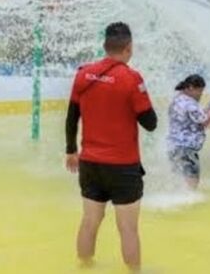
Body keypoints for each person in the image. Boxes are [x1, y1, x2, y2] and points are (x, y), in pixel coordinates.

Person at [64, 22, 158, 271]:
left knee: (89, 221)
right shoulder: (131, 78)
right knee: (127, 228)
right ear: (129, 47)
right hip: (123, 166)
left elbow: (72, 115)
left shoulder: (84, 74)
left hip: (90, 162)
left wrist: (71, 150)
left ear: (106, 46)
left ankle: (84, 266)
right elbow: (151, 123)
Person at [166, 75, 210, 189]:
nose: (200, 95)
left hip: (174, 146)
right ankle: (189, 200)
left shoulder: (178, 99)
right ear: (191, 88)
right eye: (199, 91)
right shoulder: (189, 103)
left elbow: (198, 116)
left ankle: (179, 199)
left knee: (179, 177)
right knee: (192, 179)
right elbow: (205, 120)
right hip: (186, 148)